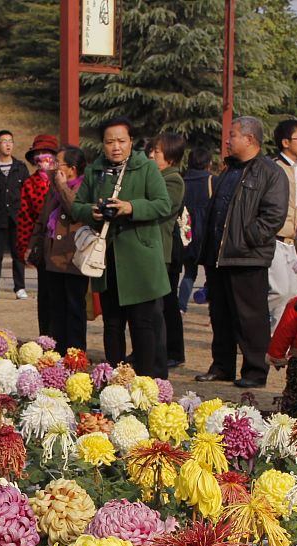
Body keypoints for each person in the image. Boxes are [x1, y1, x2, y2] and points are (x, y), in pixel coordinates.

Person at [71, 116, 173, 378]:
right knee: (112, 325)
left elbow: (163, 204)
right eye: (109, 142)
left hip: (141, 262)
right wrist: (91, 212)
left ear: (130, 142)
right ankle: (114, 379)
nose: (115, 146)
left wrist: (131, 207)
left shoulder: (146, 168)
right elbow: (76, 206)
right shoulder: (95, 170)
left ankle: (149, 381)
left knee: (144, 326)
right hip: (107, 261)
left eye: (121, 141)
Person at [195, 116, 289, 388]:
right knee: (220, 315)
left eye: (233, 135)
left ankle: (255, 371)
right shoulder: (230, 170)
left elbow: (273, 217)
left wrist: (247, 239)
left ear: (249, 139)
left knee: (250, 317)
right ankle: (222, 366)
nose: (228, 140)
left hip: (247, 256)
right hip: (219, 257)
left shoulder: (270, 173)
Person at [30, 146, 89, 354]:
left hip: (73, 257)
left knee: (74, 309)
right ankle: (57, 351)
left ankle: (75, 353)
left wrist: (63, 186)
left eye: (58, 163)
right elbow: (42, 218)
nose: (54, 167)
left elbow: (75, 210)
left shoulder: (84, 187)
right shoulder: (53, 188)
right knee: (55, 309)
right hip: (52, 257)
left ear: (72, 168)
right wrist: (33, 245)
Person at [147, 132, 187, 367]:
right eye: (151, 150)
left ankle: (170, 351)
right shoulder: (155, 175)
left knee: (165, 306)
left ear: (170, 157)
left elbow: (159, 208)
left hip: (166, 251)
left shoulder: (173, 179)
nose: (151, 155)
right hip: (154, 251)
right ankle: (150, 348)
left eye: (157, 151)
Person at [17, 134, 62, 331]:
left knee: (64, 295)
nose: (43, 158)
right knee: (45, 296)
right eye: (39, 154)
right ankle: (46, 337)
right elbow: (25, 219)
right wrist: (26, 248)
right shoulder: (29, 184)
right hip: (43, 247)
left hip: (65, 246)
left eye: (47, 153)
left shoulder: (67, 180)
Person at [269, 119, 297, 331]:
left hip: (294, 242)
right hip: (274, 239)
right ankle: (267, 338)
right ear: (285, 142)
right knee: (279, 292)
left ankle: (280, 342)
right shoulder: (274, 168)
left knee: (294, 295)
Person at [0, 130, 30, 299]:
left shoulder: (20, 168)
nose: (8, 144)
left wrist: (28, 217)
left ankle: (20, 288)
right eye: (4, 141)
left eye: (10, 141)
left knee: (18, 254)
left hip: (18, 218)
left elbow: (27, 194)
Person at [178, 146, 214, 312]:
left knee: (189, 273)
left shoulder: (182, 182)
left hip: (187, 233)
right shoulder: (212, 181)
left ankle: (181, 307)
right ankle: (213, 306)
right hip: (208, 234)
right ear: (209, 163)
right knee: (212, 274)